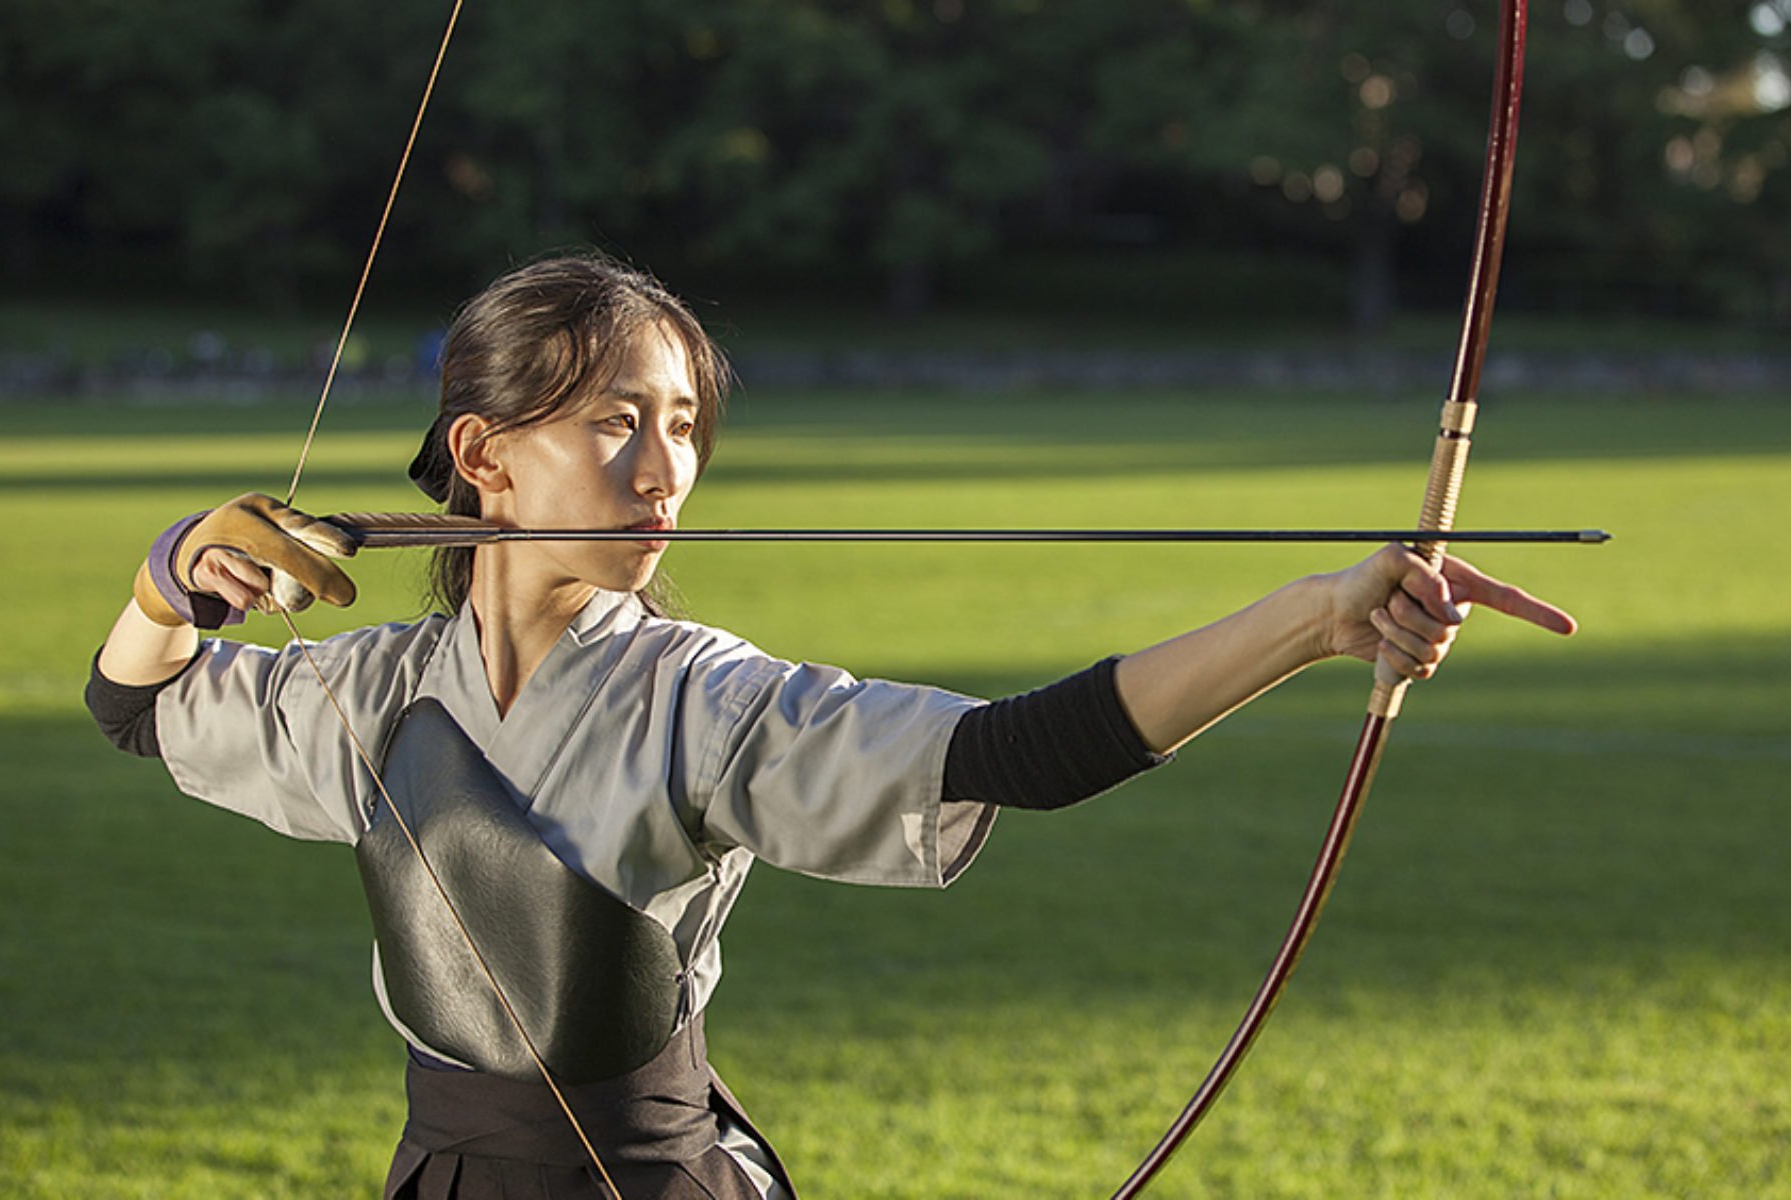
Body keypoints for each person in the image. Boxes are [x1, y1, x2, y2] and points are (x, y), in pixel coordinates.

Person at [86, 254, 1576, 1199]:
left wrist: (1314, 621)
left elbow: (1011, 756)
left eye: (683, 425)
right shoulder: (369, 693)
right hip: (442, 1174)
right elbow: (132, 708)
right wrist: (174, 577)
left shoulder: (699, 693)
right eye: (617, 417)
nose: (666, 463)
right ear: (486, 455)